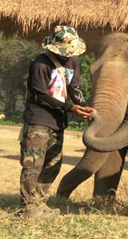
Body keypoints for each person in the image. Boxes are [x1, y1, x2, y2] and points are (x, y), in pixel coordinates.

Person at [18, 25, 96, 219]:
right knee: (33, 164)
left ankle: (40, 202)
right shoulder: (40, 64)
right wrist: (71, 108)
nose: (68, 55)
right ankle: (27, 207)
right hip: (38, 120)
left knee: (53, 163)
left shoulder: (73, 62)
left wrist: (83, 105)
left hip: (57, 121)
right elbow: (40, 95)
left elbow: (74, 88)